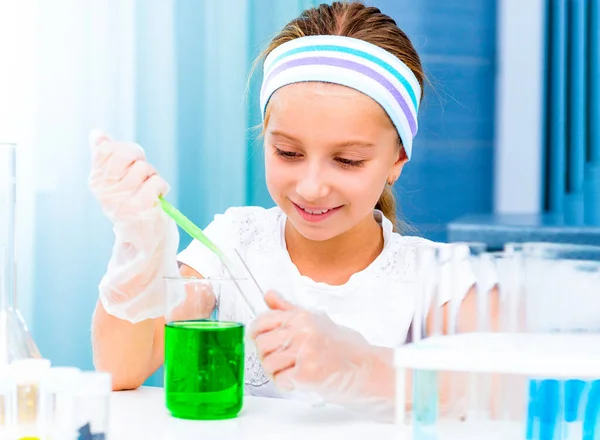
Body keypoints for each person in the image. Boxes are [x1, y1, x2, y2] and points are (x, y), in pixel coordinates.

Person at [89, 1, 487, 421]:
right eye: (288, 152)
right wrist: (139, 246)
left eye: (348, 160)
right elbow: (120, 369)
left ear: (397, 160)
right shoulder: (234, 243)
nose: (311, 188)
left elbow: (492, 396)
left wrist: (358, 368)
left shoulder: (439, 280)